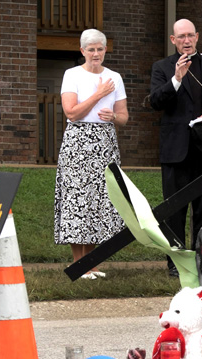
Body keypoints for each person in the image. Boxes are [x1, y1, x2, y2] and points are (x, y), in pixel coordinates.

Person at [150, 19, 202, 277]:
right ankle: (176, 262)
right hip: (176, 150)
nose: (186, 40)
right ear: (173, 40)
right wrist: (176, 79)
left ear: (197, 37)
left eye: (190, 35)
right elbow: (155, 101)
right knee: (174, 209)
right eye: (181, 37)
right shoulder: (162, 67)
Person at [53, 29, 129, 279]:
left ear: (105, 50)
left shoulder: (115, 77)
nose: (96, 53)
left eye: (100, 49)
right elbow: (71, 113)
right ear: (82, 51)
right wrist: (98, 94)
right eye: (91, 49)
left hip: (105, 141)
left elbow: (124, 117)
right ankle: (79, 263)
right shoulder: (72, 75)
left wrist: (114, 116)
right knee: (78, 198)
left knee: (99, 198)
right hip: (78, 141)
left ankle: (92, 263)